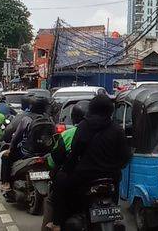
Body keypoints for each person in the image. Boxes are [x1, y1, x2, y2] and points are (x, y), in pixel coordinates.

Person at [49, 94, 131, 230]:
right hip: (110, 177)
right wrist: (115, 168)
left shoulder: (84, 126)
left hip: (85, 176)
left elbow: (75, 152)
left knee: (59, 181)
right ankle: (115, 217)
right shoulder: (116, 128)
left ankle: (57, 223)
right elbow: (125, 155)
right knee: (116, 182)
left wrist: (66, 171)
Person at [41, 101, 88, 231]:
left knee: (51, 200)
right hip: (102, 177)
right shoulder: (104, 132)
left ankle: (55, 224)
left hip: (75, 179)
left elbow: (54, 160)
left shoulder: (68, 134)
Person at [0, 94, 51, 191]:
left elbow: (17, 137)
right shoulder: (49, 119)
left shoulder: (26, 119)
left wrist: (10, 149)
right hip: (46, 153)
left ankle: (6, 183)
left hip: (27, 153)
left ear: (31, 106)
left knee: (5, 156)